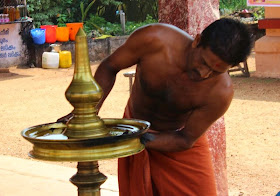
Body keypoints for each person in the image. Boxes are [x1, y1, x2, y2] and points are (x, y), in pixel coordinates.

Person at [97, 18, 253, 195]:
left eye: (216, 72)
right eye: (203, 62)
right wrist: (87, 114)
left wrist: (134, 139)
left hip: (177, 143)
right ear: (197, 40)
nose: (204, 74)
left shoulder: (220, 92)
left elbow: (186, 139)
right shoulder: (154, 40)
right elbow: (110, 66)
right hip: (134, 127)